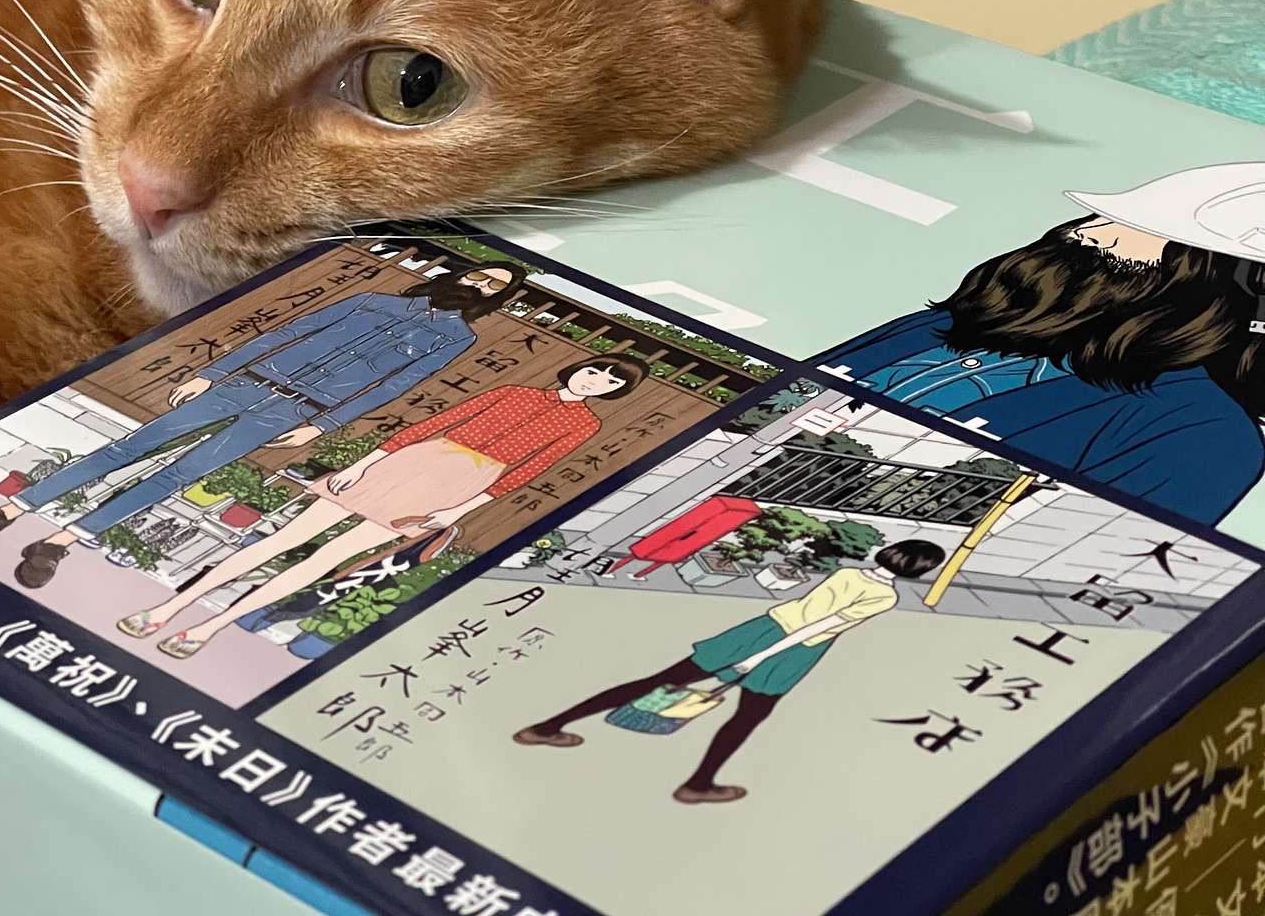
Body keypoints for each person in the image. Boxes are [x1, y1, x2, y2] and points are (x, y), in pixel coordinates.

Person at [0, 262, 526, 587]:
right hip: (245, 384)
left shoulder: (456, 339)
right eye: (479, 275)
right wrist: (212, 373)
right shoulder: (374, 300)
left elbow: (396, 385)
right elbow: (286, 332)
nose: (479, 285)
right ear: (458, 276)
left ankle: (57, 544)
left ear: (492, 301)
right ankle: (5, 513)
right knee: (126, 451)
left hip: (294, 411)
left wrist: (323, 426)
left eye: (492, 287)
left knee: (179, 477)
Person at [117, 354, 649, 658]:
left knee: (323, 560)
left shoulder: (584, 424)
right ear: (580, 367)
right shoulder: (512, 391)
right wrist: (363, 462)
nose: (597, 380)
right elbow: (433, 424)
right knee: (284, 540)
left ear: (614, 393)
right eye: (597, 370)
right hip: (415, 457)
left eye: (611, 382)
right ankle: (167, 610)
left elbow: (529, 470)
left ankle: (209, 628)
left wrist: (458, 511)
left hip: (460, 484)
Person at [818, 164, 1265, 524]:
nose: (1087, 231)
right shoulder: (936, 328)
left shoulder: (1205, 433)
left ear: (1212, 280)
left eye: (1135, 229)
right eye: (1100, 218)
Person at [515, 539, 946, 804]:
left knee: (660, 680)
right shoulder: (884, 597)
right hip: (791, 649)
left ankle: (547, 726)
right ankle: (699, 784)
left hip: (761, 628)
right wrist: (759, 659)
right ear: (920, 570)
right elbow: (820, 626)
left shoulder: (849, 573)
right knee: (747, 716)